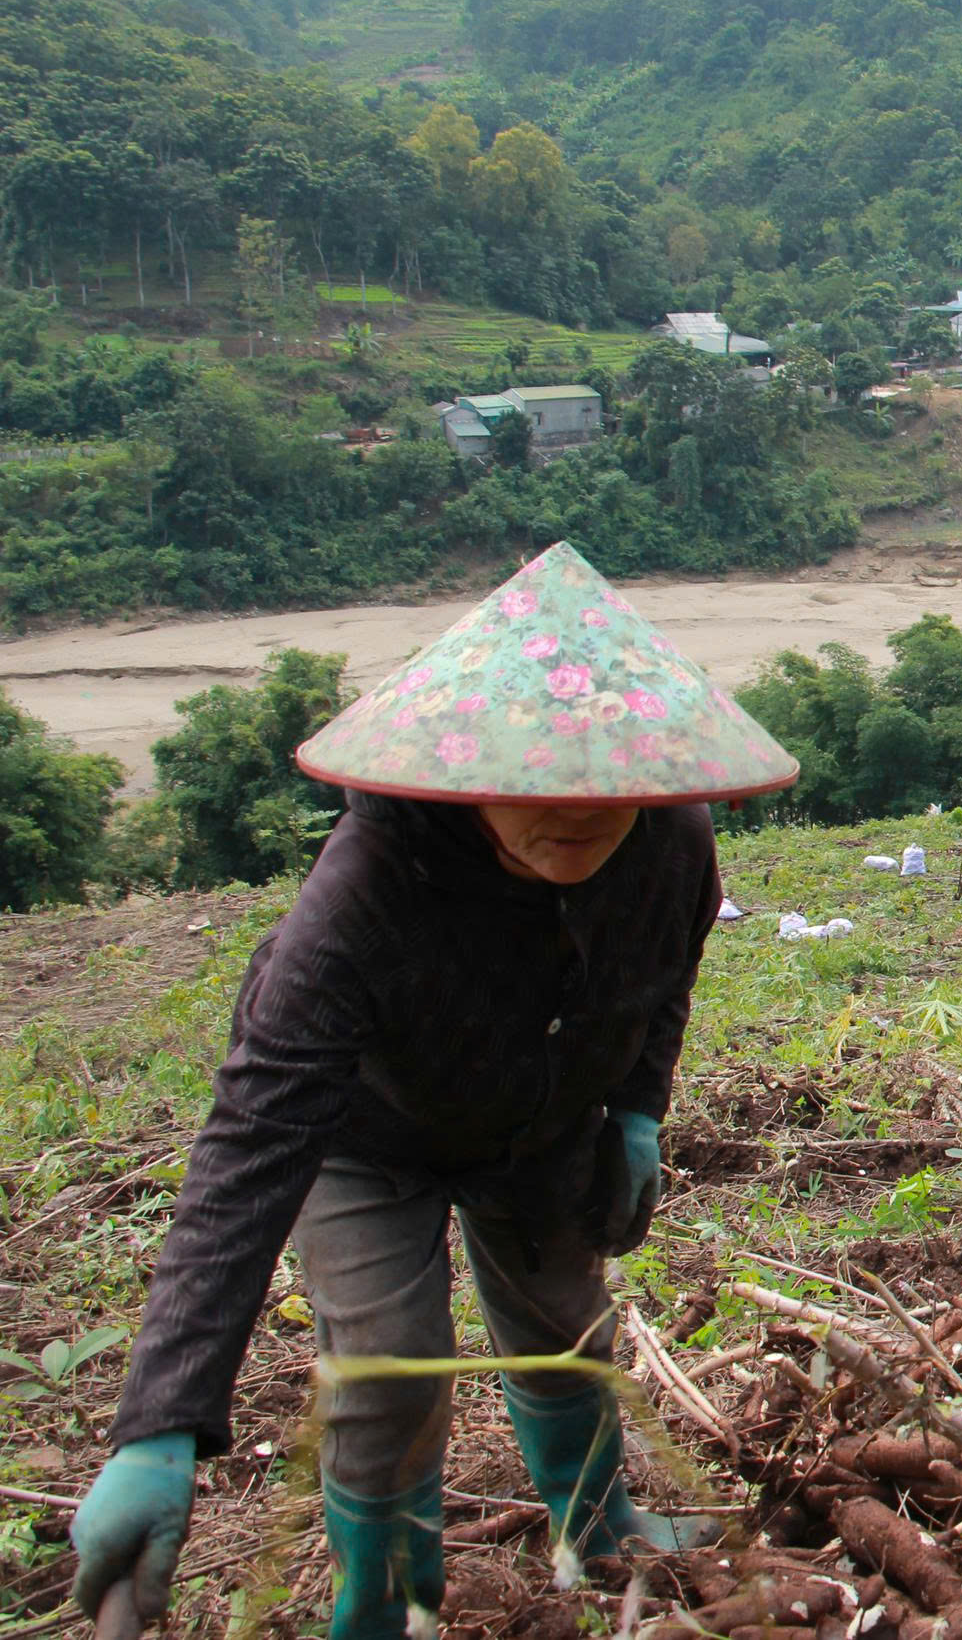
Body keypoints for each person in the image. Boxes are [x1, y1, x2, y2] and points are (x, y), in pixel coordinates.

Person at [69, 544, 800, 1639]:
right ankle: (386, 1596)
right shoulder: (365, 892)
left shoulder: (671, 842)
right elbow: (252, 1142)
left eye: (605, 796)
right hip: (372, 1135)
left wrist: (639, 1107)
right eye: (534, 795)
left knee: (565, 1326)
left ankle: (596, 1527)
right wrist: (160, 1423)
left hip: (549, 1119)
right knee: (387, 1368)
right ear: (465, 782)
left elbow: (666, 977)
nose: (578, 819)